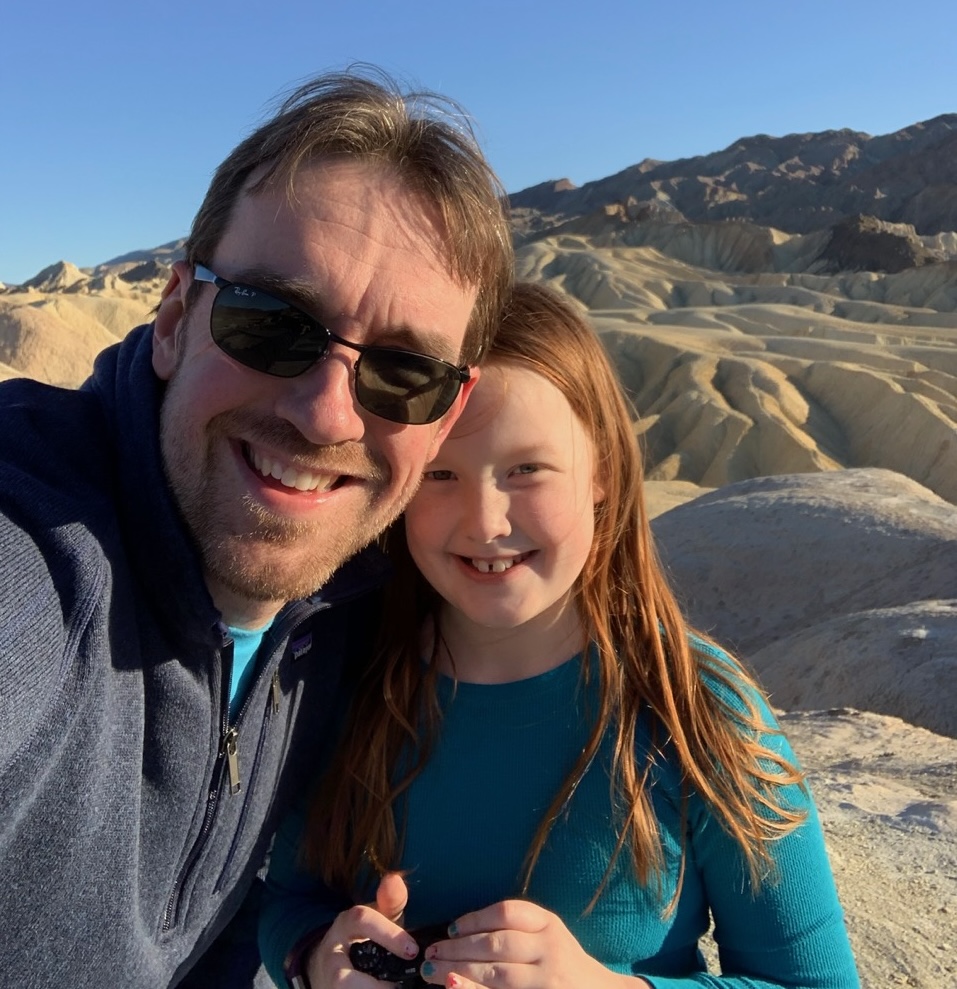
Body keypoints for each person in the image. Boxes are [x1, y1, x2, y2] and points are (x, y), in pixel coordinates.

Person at [0, 68, 512, 988]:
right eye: (272, 323)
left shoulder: (356, 607)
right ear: (172, 318)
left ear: (446, 414)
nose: (326, 415)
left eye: (402, 373)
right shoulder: (38, 546)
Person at [258, 282, 860, 988]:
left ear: (600, 471)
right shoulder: (350, 680)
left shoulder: (695, 704)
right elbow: (289, 899)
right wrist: (315, 955)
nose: (484, 521)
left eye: (525, 470)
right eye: (441, 474)